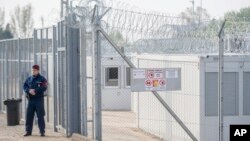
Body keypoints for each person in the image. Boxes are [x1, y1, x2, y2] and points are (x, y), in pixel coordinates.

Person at [23, 65, 48, 137]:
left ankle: (42, 132)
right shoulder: (29, 79)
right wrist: (29, 90)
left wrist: (35, 91)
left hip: (39, 100)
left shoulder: (42, 79)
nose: (33, 71)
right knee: (29, 116)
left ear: (38, 70)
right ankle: (28, 131)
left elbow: (44, 87)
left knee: (40, 116)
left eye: (34, 70)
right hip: (31, 100)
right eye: (32, 70)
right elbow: (24, 86)